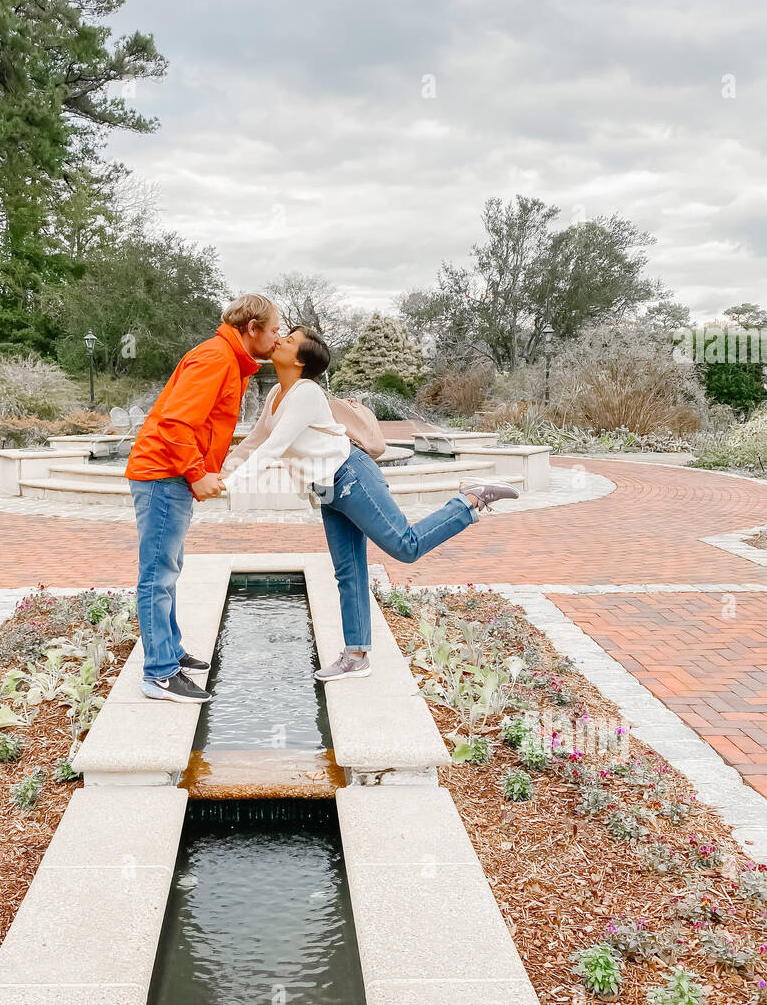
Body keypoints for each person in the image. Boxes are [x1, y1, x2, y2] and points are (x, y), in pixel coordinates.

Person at [222, 326, 518, 682]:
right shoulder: (275, 395)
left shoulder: (306, 393)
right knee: (348, 572)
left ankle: (470, 500)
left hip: (352, 477)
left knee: (406, 546)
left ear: (300, 360)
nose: (280, 339)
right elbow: (255, 441)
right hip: (328, 490)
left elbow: (272, 448)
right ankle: (356, 656)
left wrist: (228, 484)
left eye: (289, 339)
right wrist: (220, 472)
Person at [126, 294, 281, 702]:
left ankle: (171, 653)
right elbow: (175, 424)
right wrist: (196, 474)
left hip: (170, 474)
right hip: (164, 475)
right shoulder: (216, 358)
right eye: (275, 329)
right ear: (252, 329)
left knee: (168, 567)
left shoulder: (229, 359)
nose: (278, 337)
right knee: (157, 575)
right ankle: (159, 675)